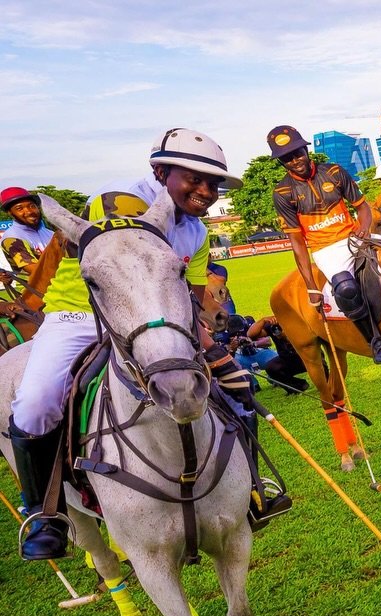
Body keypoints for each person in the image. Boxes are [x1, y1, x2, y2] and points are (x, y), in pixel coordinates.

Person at [8, 128, 243, 560]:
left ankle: (252, 490)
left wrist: (216, 346)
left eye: (214, 183)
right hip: (79, 315)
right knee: (36, 403)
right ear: (159, 171)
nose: (206, 191)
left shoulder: (194, 231)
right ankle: (45, 513)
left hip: (155, 322)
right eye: (194, 178)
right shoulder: (116, 201)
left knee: (234, 387)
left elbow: (190, 298)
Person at [266, 125, 381, 363]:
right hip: (326, 248)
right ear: (281, 162)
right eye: (287, 158)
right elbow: (297, 243)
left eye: (297, 153)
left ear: (305, 149)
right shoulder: (282, 192)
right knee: (346, 288)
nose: (295, 160)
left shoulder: (334, 171)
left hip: (355, 236)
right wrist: (311, 285)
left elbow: (362, 207)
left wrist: (362, 229)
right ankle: (376, 340)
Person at [0, 186, 54, 288]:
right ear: (10, 213)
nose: (29, 211)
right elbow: (36, 270)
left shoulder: (50, 233)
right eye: (19, 208)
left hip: (61, 288)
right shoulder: (12, 238)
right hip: (33, 295)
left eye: (32, 206)